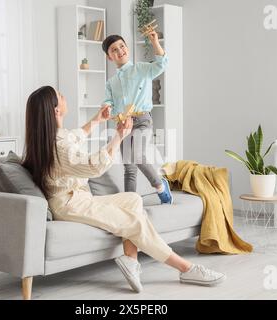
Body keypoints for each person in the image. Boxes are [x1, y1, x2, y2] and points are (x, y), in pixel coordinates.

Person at [21, 86, 226, 293]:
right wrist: (119, 136)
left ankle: (130, 260)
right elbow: (94, 166)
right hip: (69, 204)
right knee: (134, 221)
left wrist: (97, 119)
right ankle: (186, 268)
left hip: (78, 199)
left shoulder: (56, 137)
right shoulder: (59, 146)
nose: (65, 97)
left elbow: (76, 136)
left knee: (133, 199)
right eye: (61, 96)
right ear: (56, 110)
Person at [101, 32, 173, 204]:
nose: (119, 51)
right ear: (109, 57)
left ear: (127, 48)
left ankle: (160, 186)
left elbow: (162, 64)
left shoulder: (141, 69)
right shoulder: (111, 82)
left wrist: (155, 42)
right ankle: (130, 204)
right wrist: (107, 108)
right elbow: (107, 102)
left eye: (122, 46)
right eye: (114, 50)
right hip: (122, 125)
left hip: (142, 121)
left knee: (137, 155)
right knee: (129, 167)